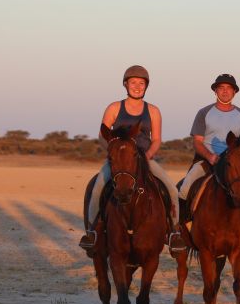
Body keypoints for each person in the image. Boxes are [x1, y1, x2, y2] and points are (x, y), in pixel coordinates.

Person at [79, 65, 184, 254]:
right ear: (125, 84)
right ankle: (92, 232)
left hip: (143, 159)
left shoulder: (152, 110)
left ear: (146, 86)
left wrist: (148, 155)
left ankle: (174, 232)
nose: (137, 86)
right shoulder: (114, 108)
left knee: (171, 189)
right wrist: (113, 154)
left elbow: (157, 139)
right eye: (133, 82)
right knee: (96, 189)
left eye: (141, 83)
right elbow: (103, 135)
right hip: (118, 161)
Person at [169, 73, 240, 252]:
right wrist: (211, 156)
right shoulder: (204, 112)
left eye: (229, 88)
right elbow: (197, 141)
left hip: (234, 166)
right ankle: (178, 232)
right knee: (184, 188)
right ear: (215, 91)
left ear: (234, 92)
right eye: (221, 88)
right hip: (207, 161)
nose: (225, 91)